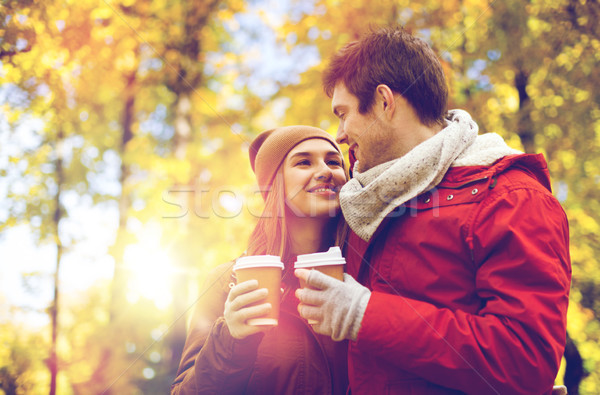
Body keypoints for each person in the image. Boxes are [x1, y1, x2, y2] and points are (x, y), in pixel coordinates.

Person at [295, 26, 571, 395]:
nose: (340, 133)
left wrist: (365, 314)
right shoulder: (366, 201)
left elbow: (525, 362)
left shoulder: (510, 198)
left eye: (343, 114)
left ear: (384, 102)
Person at [171, 125, 350, 394]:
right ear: (274, 185)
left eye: (334, 161)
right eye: (304, 162)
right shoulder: (227, 282)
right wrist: (230, 339)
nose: (325, 171)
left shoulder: (366, 270)